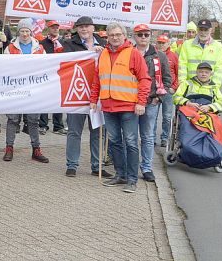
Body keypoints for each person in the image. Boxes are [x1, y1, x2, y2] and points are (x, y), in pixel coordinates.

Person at [91, 22, 150, 193]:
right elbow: (97, 80)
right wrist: (94, 99)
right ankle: (120, 174)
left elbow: (145, 79)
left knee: (131, 142)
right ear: (107, 37)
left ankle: (132, 179)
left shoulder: (133, 54)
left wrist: (141, 102)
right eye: (111, 35)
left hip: (129, 107)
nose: (115, 38)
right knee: (115, 141)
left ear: (124, 36)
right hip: (108, 106)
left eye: (118, 34)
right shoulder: (103, 55)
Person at [62, 16, 110, 178]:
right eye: (80, 27)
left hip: (98, 94)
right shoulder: (69, 44)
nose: (84, 29)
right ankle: (72, 165)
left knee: (97, 131)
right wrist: (89, 53)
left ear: (93, 28)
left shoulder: (104, 44)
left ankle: (97, 166)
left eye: (87, 26)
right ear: (77, 29)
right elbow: (67, 61)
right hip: (76, 93)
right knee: (74, 131)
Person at [3, 18, 48, 163]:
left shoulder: (39, 48)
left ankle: (36, 149)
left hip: (33, 89)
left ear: (31, 32)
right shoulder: (10, 48)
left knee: (33, 120)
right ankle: (9, 148)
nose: (24, 34)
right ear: (18, 32)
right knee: (13, 119)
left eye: (27, 31)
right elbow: (4, 67)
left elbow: (46, 66)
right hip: (16, 88)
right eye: (22, 31)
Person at [131, 24, 172, 183]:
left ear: (150, 36)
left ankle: (147, 168)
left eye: (146, 35)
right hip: (131, 101)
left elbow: (167, 79)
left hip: (151, 102)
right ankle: (131, 165)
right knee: (130, 136)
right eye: (140, 35)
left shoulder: (159, 56)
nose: (143, 37)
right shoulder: (129, 53)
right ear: (135, 36)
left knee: (148, 137)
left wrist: (159, 98)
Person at [177, 19, 222, 89]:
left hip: (209, 87)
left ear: (211, 30)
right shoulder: (187, 45)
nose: (203, 32)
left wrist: (215, 87)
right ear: (197, 30)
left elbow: (219, 69)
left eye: (206, 30)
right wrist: (182, 84)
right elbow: (182, 66)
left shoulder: (218, 47)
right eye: (201, 29)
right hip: (189, 86)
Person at [39, 21, 66, 134]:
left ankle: (58, 125)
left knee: (58, 99)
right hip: (47, 73)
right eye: (53, 27)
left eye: (57, 27)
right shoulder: (43, 42)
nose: (55, 29)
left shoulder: (64, 42)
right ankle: (43, 124)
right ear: (48, 28)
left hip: (61, 74)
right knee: (45, 99)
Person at [156, 34, 179, 147]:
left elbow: (179, 74)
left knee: (167, 117)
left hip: (168, 92)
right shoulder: (153, 55)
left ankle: (165, 138)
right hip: (155, 91)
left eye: (163, 43)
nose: (161, 45)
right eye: (159, 43)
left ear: (168, 44)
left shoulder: (174, 56)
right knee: (153, 116)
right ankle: (152, 139)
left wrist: (173, 88)